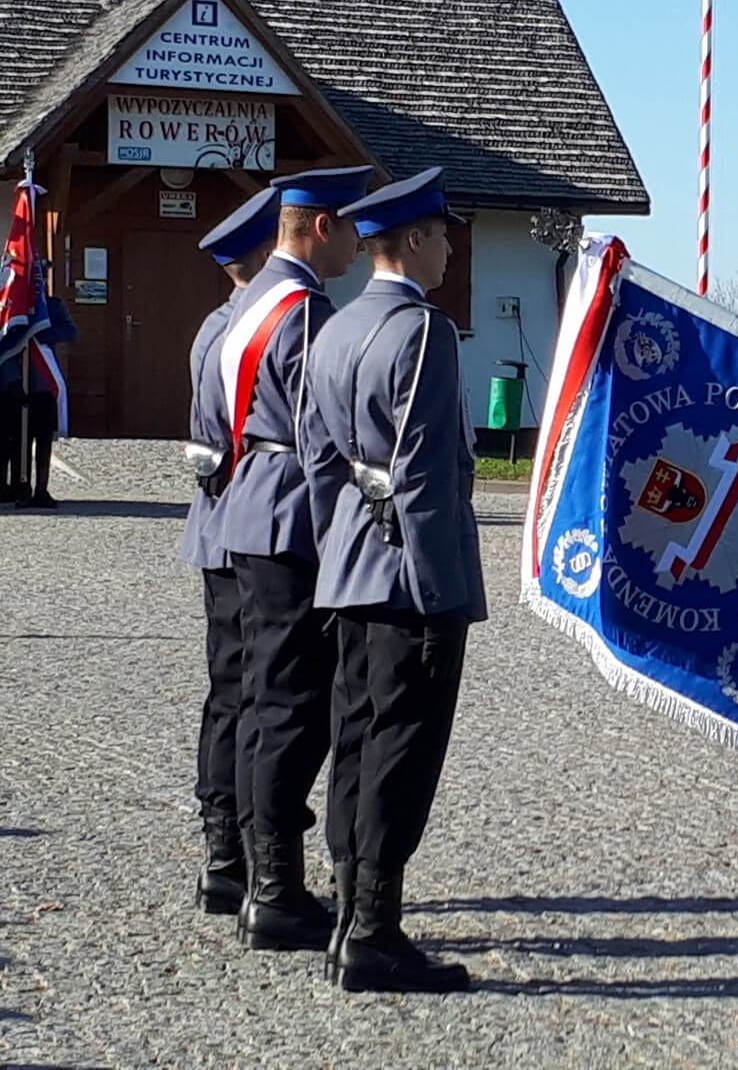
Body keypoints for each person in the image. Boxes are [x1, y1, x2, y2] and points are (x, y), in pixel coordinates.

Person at [299, 168, 484, 993]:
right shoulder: (426, 332)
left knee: (356, 741)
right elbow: (421, 476)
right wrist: (441, 592)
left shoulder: (334, 328)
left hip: (348, 567)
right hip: (411, 576)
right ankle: (373, 931)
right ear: (412, 240)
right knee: (403, 752)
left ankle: (349, 917)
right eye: (443, 235)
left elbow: (316, 459)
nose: (450, 249)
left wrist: (336, 548)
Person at [214, 165, 370, 950]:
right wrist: (340, 539)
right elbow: (320, 438)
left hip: (247, 506)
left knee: (257, 701)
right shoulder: (304, 312)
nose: (356, 241)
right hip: (289, 520)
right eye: (350, 227)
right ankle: (276, 886)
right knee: (291, 710)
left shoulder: (250, 302)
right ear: (320, 228)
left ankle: (252, 871)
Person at [181, 186, 280, 916]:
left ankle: (224, 853)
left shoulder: (214, 327)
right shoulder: (256, 328)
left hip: (217, 524)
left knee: (229, 692)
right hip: (251, 526)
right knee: (258, 694)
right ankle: (245, 847)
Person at [4, 293, 76, 508]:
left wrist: (44, 335)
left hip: (44, 384)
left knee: (44, 440)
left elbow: (71, 332)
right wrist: (12, 380)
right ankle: (21, 487)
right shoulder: (11, 305)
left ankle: (41, 489)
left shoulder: (53, 306)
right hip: (18, 385)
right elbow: (4, 346)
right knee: (19, 441)